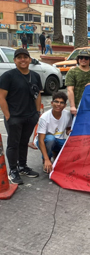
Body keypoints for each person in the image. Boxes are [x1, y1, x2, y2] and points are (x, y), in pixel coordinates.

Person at [0, 48, 42, 184]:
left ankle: (22, 166)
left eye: (25, 57)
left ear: (30, 60)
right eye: (19, 58)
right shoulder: (8, 76)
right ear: (15, 60)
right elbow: (1, 96)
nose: (22, 60)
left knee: (24, 142)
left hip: (30, 116)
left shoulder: (35, 76)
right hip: (14, 117)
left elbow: (38, 94)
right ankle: (13, 170)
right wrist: (8, 116)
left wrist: (37, 113)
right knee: (13, 144)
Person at [35, 92, 72, 173]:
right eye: (56, 102)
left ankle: (56, 153)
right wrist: (47, 159)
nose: (58, 104)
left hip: (59, 140)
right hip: (45, 141)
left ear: (65, 105)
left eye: (61, 102)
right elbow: (41, 140)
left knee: (71, 147)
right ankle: (45, 160)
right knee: (50, 139)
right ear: (52, 103)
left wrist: (69, 131)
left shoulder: (68, 114)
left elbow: (68, 129)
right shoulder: (44, 117)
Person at [66, 49, 90, 116]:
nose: (83, 60)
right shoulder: (72, 72)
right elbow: (70, 90)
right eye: (81, 57)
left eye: (86, 58)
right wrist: (72, 106)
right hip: (77, 107)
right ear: (78, 59)